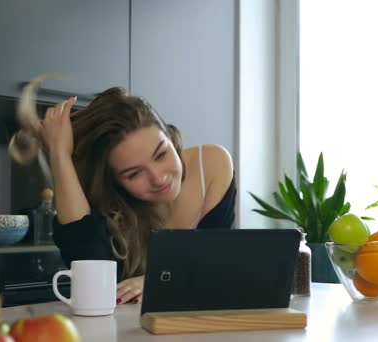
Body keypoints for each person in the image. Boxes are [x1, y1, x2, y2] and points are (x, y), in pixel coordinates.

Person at [37, 87, 236, 304]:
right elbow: (92, 276)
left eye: (161, 154)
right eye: (134, 174)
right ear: (115, 183)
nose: (159, 178)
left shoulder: (211, 164)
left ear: (170, 136)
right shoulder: (109, 208)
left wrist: (157, 280)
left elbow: (215, 265)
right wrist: (59, 154)